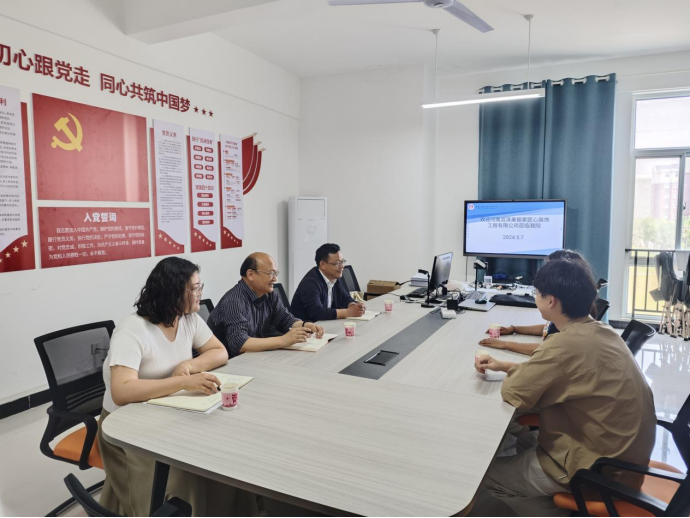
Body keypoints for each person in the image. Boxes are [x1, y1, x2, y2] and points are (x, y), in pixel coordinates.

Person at [473, 259, 656, 517]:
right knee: (520, 432)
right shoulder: (604, 331)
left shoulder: (563, 344)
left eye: (537, 293)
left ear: (551, 301)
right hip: (623, 460)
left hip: (595, 471)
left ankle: (559, 510)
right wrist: (506, 366)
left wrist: (509, 368)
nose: (535, 297)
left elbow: (513, 393)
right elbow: (556, 375)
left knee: (486, 476)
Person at [97, 257, 257, 517]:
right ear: (173, 292)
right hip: (128, 425)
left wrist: (188, 365)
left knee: (223, 456)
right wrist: (182, 382)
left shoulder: (187, 318)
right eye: (195, 288)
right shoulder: (132, 330)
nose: (200, 293)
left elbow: (219, 352)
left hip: (169, 410)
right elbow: (122, 391)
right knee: (183, 476)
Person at [208, 252, 324, 358]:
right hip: (230, 363)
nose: (275, 278)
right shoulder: (234, 301)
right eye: (270, 273)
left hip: (254, 357)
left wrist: (305, 325)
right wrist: (283, 340)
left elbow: (284, 319)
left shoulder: (269, 294)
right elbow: (240, 344)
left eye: (275, 273)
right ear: (250, 275)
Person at [478, 249, 591, 355]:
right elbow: (547, 328)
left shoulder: (566, 313)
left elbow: (547, 350)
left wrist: (506, 344)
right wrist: (514, 329)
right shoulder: (566, 311)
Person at [290, 243, 366, 322]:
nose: (342, 266)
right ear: (322, 264)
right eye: (337, 263)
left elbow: (345, 297)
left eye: (342, 262)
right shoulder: (310, 283)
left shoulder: (334, 277)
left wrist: (354, 306)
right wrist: (349, 312)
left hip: (325, 324)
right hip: (306, 326)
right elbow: (317, 313)